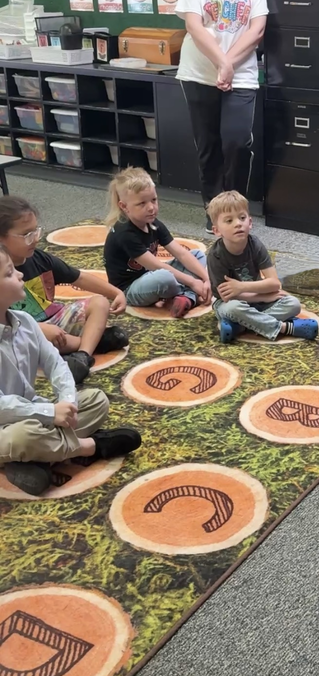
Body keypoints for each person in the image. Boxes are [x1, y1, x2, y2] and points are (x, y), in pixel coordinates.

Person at [0, 245, 141, 496]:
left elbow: (55, 363)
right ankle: (90, 447)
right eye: (9, 273)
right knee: (21, 437)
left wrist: (66, 401)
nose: (20, 275)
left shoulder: (26, 322)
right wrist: (49, 412)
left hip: (33, 415)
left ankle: (33, 460)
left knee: (95, 400)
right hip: (12, 426)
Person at [176, 0, 268, 233]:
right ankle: (216, 214)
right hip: (199, 72)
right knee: (209, 147)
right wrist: (219, 62)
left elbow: (257, 28)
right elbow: (194, 24)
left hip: (240, 74)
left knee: (236, 142)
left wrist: (228, 65)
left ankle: (236, 211)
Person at [0, 196, 129, 386]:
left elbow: (78, 277)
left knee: (100, 302)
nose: (35, 239)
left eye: (36, 231)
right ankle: (92, 342)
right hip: (20, 332)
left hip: (55, 321)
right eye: (27, 235)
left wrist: (116, 293)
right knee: (34, 340)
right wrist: (40, 329)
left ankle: (82, 356)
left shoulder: (39, 258)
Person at [207, 190, 319, 343]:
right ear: (216, 230)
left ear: (250, 222)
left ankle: (239, 327)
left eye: (242, 218)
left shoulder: (255, 245)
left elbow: (274, 283)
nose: (238, 223)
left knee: (293, 304)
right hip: (229, 304)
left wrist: (242, 287)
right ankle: (286, 328)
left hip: (256, 300)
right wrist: (263, 295)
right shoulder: (216, 256)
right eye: (229, 221)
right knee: (234, 309)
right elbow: (228, 296)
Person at [104, 167, 211, 317]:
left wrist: (207, 279)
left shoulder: (153, 223)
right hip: (128, 289)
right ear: (124, 206)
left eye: (153, 200)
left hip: (150, 275)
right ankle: (189, 295)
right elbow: (156, 265)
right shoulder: (124, 233)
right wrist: (194, 283)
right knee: (165, 278)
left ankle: (185, 296)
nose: (151, 208)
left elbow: (181, 254)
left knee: (198, 255)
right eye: (141, 204)